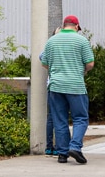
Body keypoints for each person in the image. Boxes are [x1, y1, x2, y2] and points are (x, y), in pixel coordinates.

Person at [39, 15, 96, 164]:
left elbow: (44, 63)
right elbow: (90, 63)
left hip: (56, 86)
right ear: (77, 26)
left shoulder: (51, 41)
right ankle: (75, 147)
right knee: (80, 118)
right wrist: (81, 70)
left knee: (59, 120)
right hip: (75, 85)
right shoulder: (82, 40)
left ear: (64, 25)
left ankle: (62, 153)